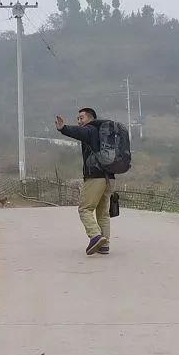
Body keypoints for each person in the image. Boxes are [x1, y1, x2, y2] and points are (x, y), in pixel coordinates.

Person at [56, 108, 115, 255]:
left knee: (84, 209)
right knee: (103, 213)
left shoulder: (91, 130)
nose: (79, 121)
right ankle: (104, 245)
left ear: (90, 118)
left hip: (95, 177)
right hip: (110, 178)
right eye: (78, 119)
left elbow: (79, 132)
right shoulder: (106, 135)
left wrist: (63, 128)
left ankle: (95, 236)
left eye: (81, 118)